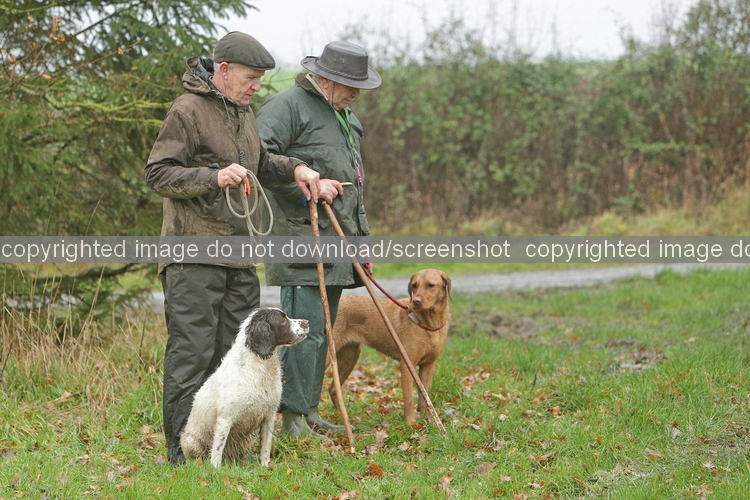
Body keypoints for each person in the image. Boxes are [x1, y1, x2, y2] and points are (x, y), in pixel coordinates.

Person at [144, 31, 327, 465]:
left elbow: (260, 163)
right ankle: (182, 452)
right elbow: (157, 173)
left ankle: (224, 451)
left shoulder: (243, 113)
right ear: (223, 71)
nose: (256, 87)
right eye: (250, 78)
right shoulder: (187, 110)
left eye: (260, 79)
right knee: (192, 354)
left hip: (241, 257)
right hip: (193, 256)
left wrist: (296, 168)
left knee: (235, 355)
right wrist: (213, 177)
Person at [256, 41, 381, 436]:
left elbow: (354, 188)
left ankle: (309, 412)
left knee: (323, 332)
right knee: (300, 333)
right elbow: (258, 162)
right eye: (350, 85)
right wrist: (306, 188)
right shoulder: (286, 107)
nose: (356, 93)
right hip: (301, 241)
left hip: (339, 245)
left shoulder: (346, 116)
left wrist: (361, 245)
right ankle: (291, 419)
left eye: (359, 86)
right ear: (325, 79)